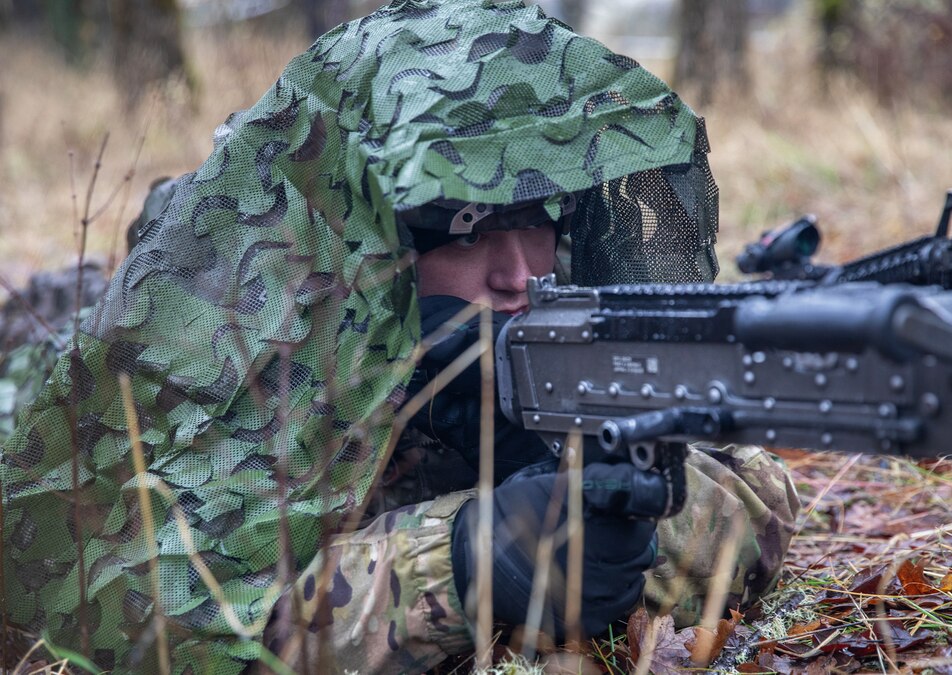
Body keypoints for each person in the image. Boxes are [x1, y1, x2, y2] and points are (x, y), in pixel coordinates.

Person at [0, 1, 799, 673]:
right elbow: (124, 611)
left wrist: (577, 485)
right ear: (370, 245)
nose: (520, 274)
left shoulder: (542, 340)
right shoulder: (228, 379)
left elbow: (753, 497)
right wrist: (466, 561)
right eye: (465, 230)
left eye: (539, 222)